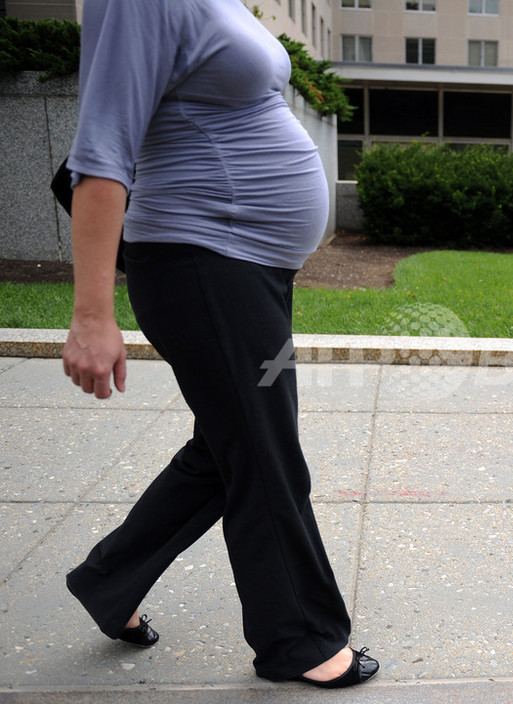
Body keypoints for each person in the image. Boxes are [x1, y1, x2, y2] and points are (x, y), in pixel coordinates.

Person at [60, 0, 378, 689]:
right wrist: (91, 314)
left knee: (231, 441)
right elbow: (101, 150)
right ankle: (295, 639)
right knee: (263, 448)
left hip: (251, 271)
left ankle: (108, 580)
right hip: (202, 263)